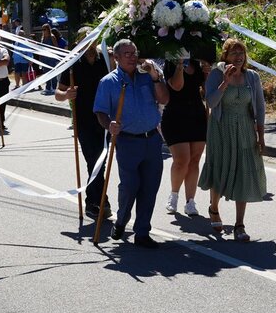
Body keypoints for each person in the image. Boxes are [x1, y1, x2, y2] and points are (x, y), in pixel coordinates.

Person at [94, 39, 169, 248]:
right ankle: (121, 219)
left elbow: (164, 99)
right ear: (116, 58)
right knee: (130, 186)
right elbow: (100, 111)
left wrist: (156, 78)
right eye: (126, 53)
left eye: (134, 53)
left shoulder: (147, 78)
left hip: (152, 139)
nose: (131, 57)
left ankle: (142, 232)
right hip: (127, 141)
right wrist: (109, 125)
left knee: (150, 187)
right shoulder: (108, 82)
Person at [199, 39, 266, 242]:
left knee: (243, 173)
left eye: (241, 53)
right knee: (221, 167)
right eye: (233, 53)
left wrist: (260, 136)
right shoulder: (216, 75)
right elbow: (210, 102)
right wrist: (225, 82)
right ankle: (214, 208)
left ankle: (239, 224)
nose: (238, 57)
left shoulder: (252, 77)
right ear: (225, 56)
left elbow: (260, 108)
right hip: (220, 128)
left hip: (245, 128)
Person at [57, 36, 113, 218]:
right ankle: (98, 200)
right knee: (93, 160)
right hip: (84, 120)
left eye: (93, 41)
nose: (90, 46)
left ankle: (95, 200)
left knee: (102, 162)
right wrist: (67, 94)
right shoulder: (73, 63)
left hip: (104, 118)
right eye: (85, 42)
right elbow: (58, 93)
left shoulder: (105, 60)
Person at [159, 54, 208, 217]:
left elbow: (206, 91)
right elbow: (177, 86)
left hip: (196, 115)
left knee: (194, 160)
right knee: (182, 160)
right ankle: (174, 195)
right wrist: (180, 63)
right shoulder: (170, 63)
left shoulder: (197, 63)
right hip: (175, 116)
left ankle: (190, 201)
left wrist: (208, 73)